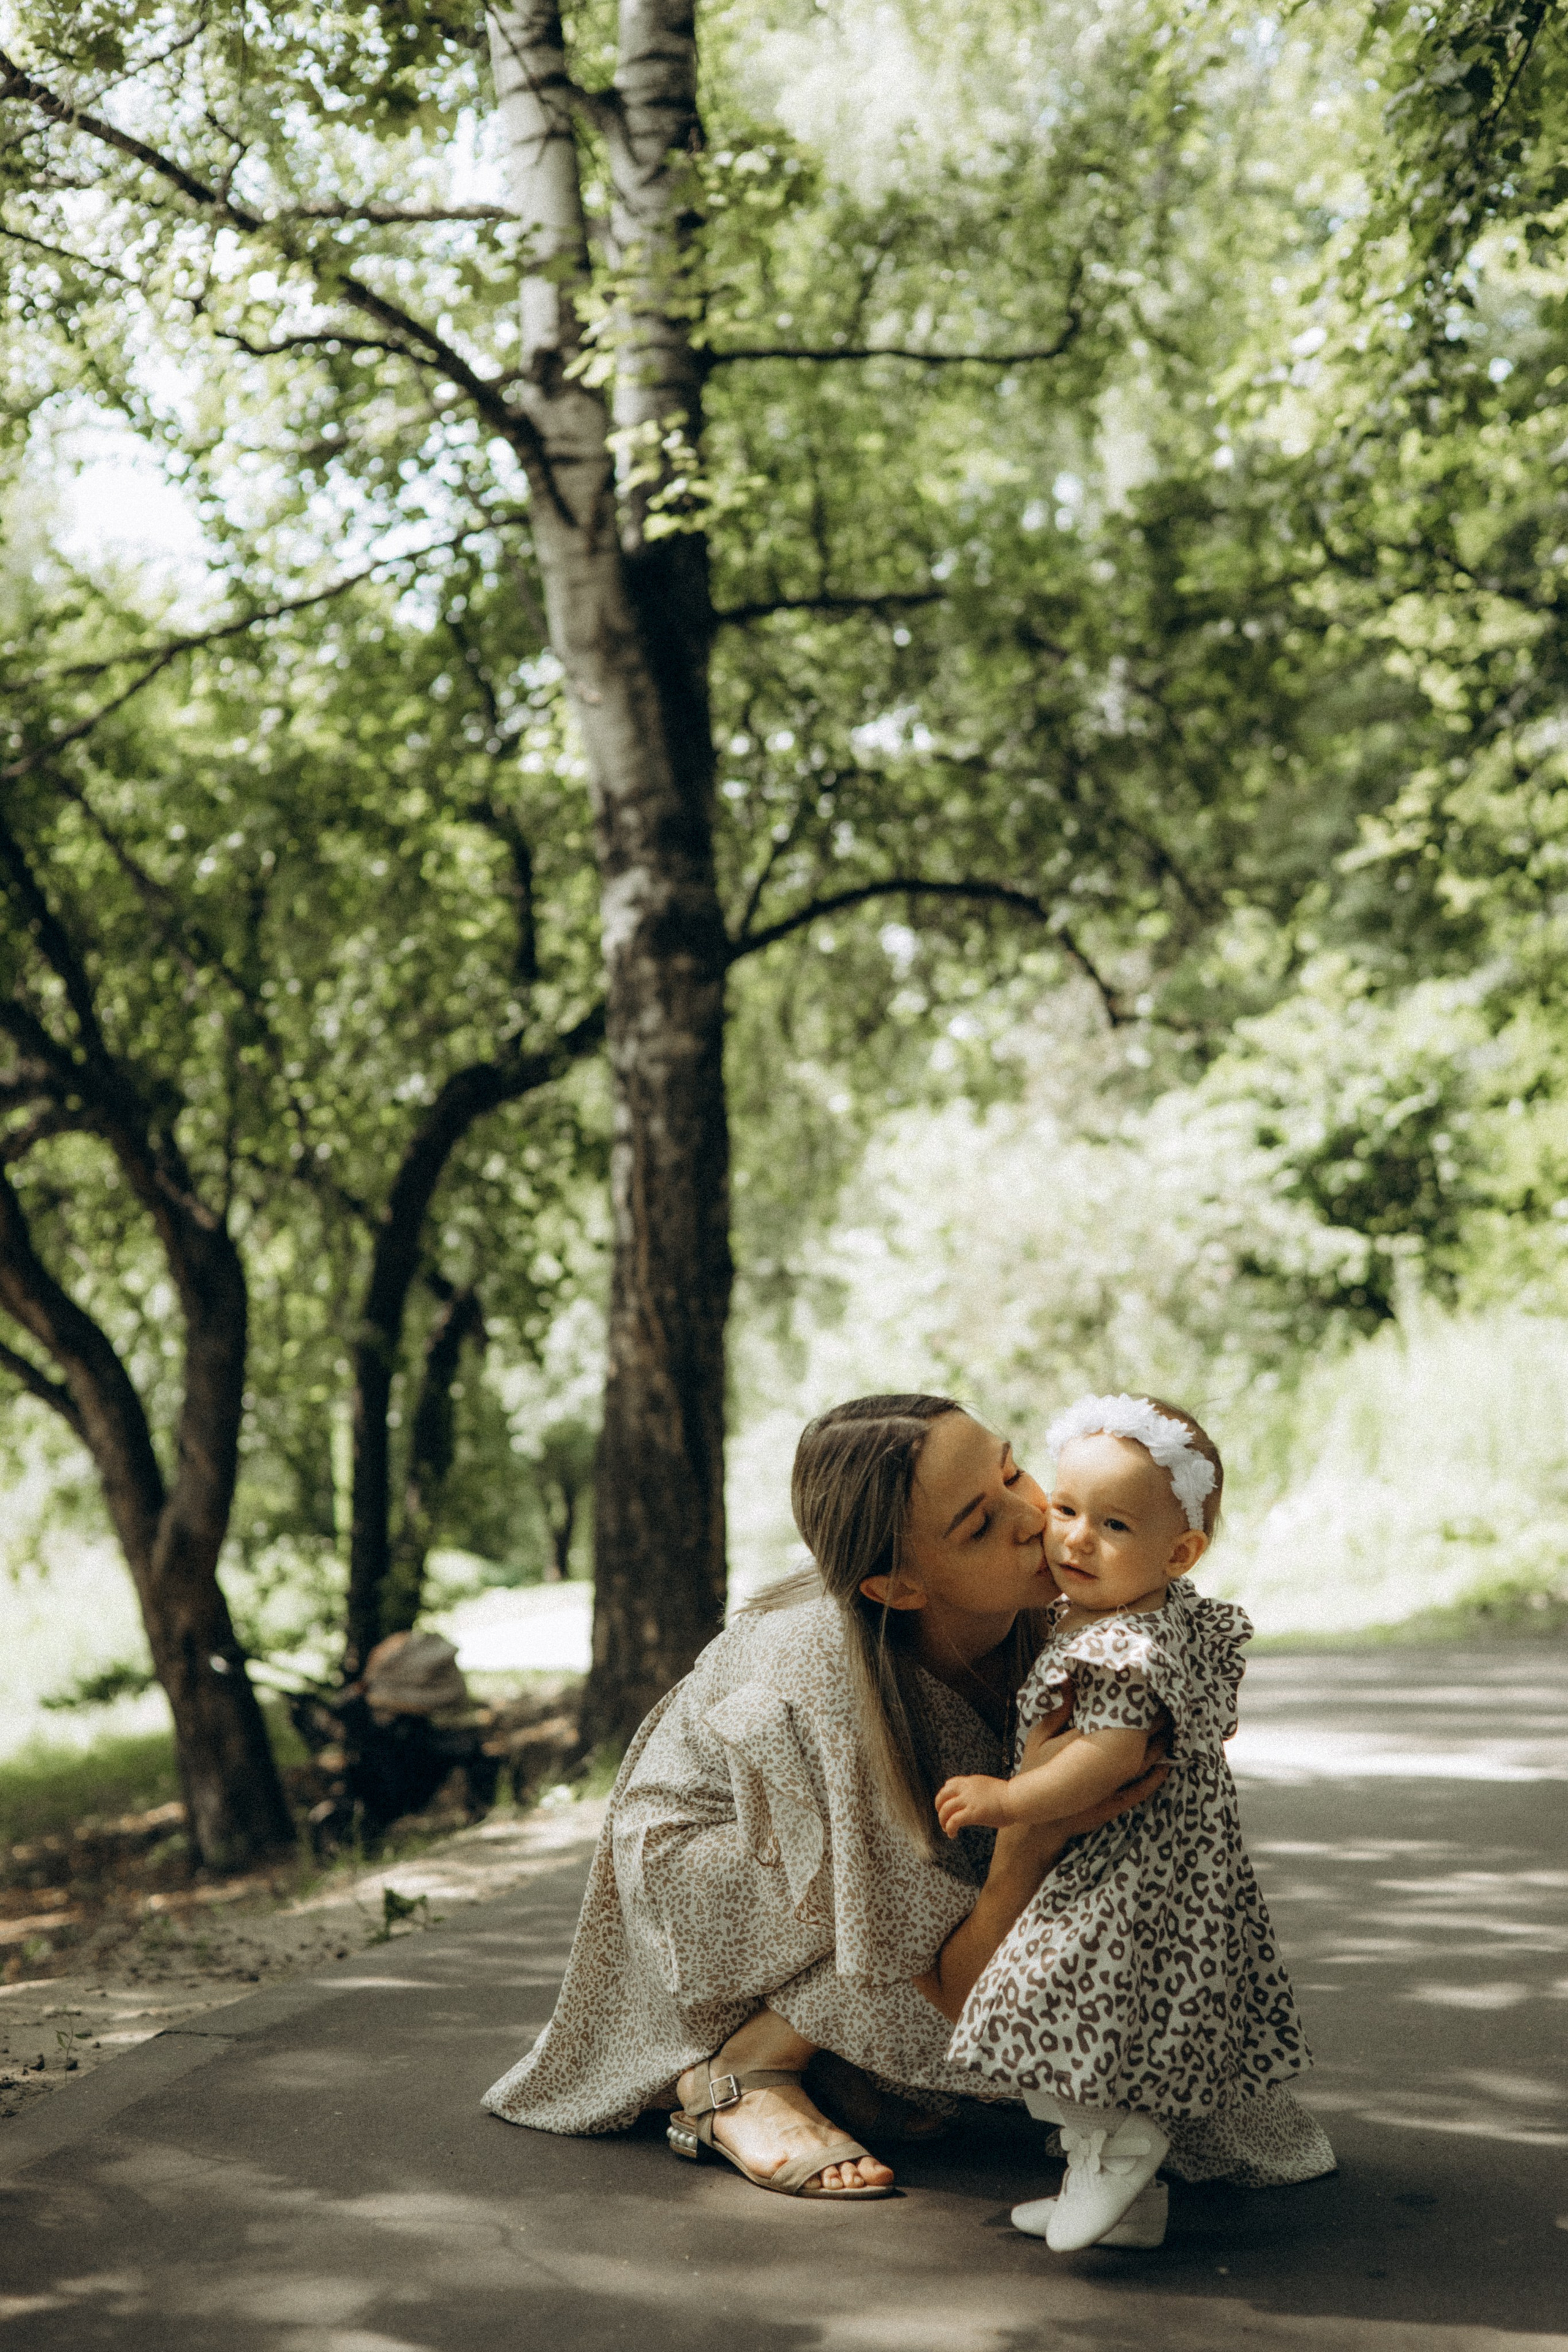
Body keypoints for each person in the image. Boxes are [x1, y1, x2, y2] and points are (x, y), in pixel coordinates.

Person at [483, 1393, 1333, 2207]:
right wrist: (1029, 1842)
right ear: (899, 1588)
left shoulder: (1072, 1600)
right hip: (726, 1859)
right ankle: (745, 2070)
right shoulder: (822, 1684)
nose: (1034, 1518)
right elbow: (958, 1986)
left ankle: (853, 2069)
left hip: (906, 1843)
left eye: (1010, 1473)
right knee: (971, 1986)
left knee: (1121, 2020)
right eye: (979, 1522)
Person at [940, 1392, 1322, 2249]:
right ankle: (1121, 2196)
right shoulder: (1143, 1613)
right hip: (1161, 1861)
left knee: (1038, 2003)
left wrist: (1008, 1801)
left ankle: (1118, 2148)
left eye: (1112, 1525)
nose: (1074, 1538)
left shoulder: (1121, 1645)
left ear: (1179, 1551)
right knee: (1114, 2025)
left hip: (1130, 1867)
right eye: (1066, 1510)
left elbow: (1105, 1758)